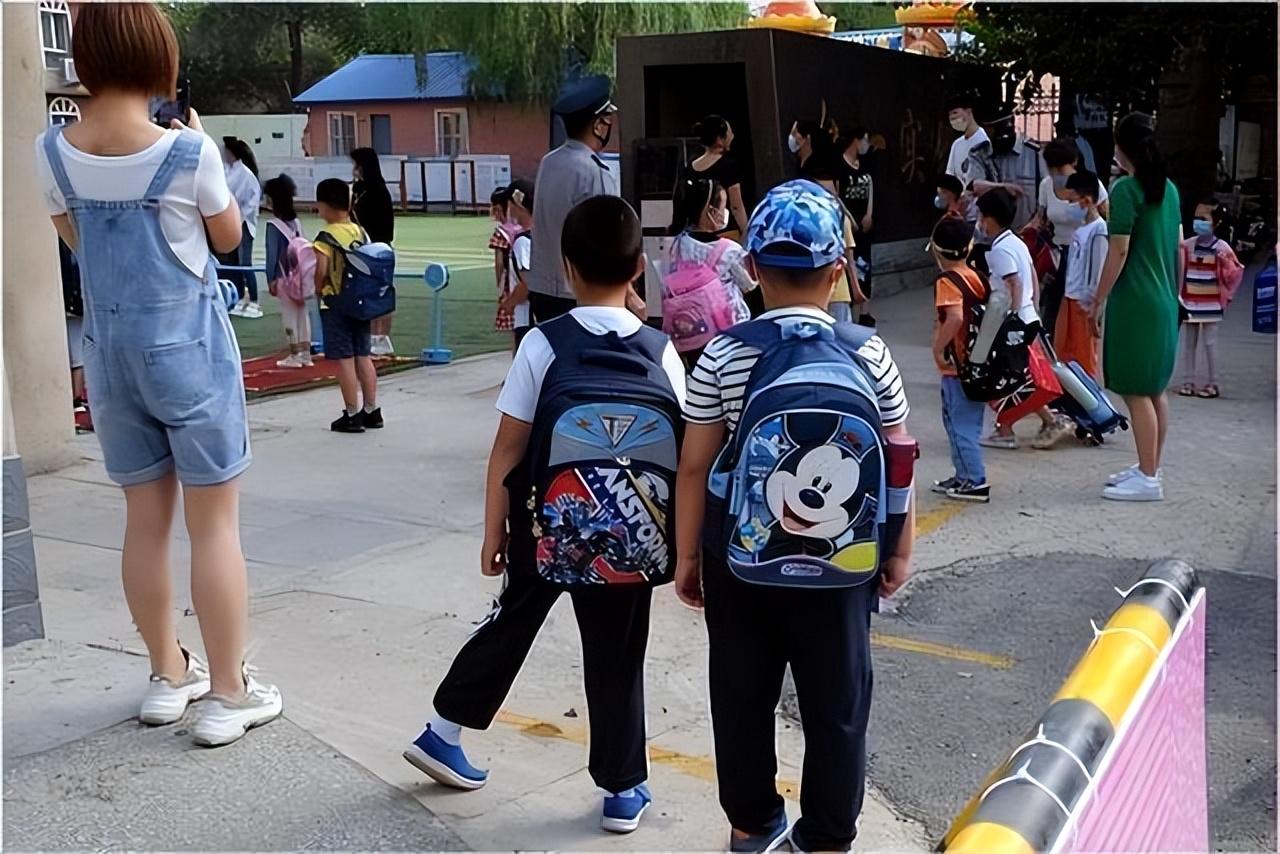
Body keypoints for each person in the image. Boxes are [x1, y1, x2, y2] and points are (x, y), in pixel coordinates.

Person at [34, 1, 281, 746]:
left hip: (111, 359)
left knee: (144, 523)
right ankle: (229, 692)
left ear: (85, 58)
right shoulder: (188, 152)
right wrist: (196, 143)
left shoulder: (50, 152)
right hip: (190, 355)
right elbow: (228, 237)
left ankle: (168, 676)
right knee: (215, 525)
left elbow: (78, 242)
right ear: (157, 57)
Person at [403, 195, 686, 835]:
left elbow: (508, 448)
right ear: (638, 268)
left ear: (566, 266)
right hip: (629, 539)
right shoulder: (660, 351)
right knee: (617, 654)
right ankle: (622, 789)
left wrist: (493, 531)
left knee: (510, 624)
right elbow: (684, 455)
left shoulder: (543, 343)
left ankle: (444, 730)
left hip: (545, 527)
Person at [675, 180, 913, 852]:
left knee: (742, 695)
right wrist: (898, 548)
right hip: (843, 561)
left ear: (752, 267)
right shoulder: (868, 352)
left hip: (741, 558)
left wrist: (688, 555)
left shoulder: (724, 353)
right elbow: (898, 457)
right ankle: (828, 835)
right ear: (837, 269)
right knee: (838, 701)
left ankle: (752, 823)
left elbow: (694, 466)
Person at [1092, 113, 1183, 502]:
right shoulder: (1170, 190)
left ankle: (1147, 479)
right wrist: (1176, 294)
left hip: (1135, 301)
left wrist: (1099, 298)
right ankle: (1150, 467)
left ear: (1121, 147)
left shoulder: (1126, 190)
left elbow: (1119, 250)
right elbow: (1179, 248)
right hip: (1163, 298)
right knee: (1154, 389)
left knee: (1136, 391)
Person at [976, 188, 1074, 451]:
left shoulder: (1000, 249)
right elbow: (1030, 276)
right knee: (1025, 379)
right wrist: (1033, 311)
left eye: (981, 216)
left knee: (1006, 379)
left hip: (1014, 322)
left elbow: (1014, 284)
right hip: (1028, 317)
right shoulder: (1016, 242)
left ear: (990, 218)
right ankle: (1043, 422)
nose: (980, 222)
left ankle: (1008, 429)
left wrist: (1013, 320)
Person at [529, 74, 623, 323]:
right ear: (598, 125)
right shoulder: (594, 172)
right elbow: (608, 241)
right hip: (580, 294)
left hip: (543, 289)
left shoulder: (549, 162)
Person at [664, 176, 756, 368]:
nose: (725, 213)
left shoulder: (676, 244)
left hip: (689, 334)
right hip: (728, 333)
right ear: (711, 212)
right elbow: (749, 284)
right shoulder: (729, 250)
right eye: (723, 207)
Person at [929, 216, 990, 502]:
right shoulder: (977, 276)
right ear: (970, 246)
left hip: (957, 366)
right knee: (962, 422)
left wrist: (938, 348)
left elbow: (954, 317)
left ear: (936, 250)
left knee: (960, 425)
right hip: (976, 362)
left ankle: (974, 480)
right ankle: (963, 474)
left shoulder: (947, 281)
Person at [313, 178, 382, 434]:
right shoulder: (360, 231)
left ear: (325, 205)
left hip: (336, 303)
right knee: (363, 355)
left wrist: (318, 289)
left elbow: (321, 270)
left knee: (344, 358)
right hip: (361, 302)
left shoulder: (326, 237)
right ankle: (371, 410)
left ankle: (352, 413)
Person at [1035, 138, 1110, 338]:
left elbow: (1108, 215)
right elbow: (1040, 219)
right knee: (1053, 311)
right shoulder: (1046, 186)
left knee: (1079, 311)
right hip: (1056, 256)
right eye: (1052, 169)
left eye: (1061, 168)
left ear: (1074, 163)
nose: (1057, 174)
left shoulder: (1089, 185)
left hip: (1084, 255)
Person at [1176, 199, 1244, 399]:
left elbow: (1235, 273)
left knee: (1210, 344)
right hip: (1189, 302)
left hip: (1212, 304)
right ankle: (1188, 381)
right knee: (1189, 344)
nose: (1198, 222)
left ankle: (1213, 383)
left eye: (1203, 219)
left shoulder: (1222, 248)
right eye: (1196, 218)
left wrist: (1225, 264)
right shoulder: (1187, 245)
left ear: (1216, 222)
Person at [1056, 170, 1109, 379]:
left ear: (1086, 201)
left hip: (1083, 303)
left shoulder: (1099, 231)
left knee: (1085, 358)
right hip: (1070, 297)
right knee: (1065, 352)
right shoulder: (1079, 229)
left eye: (1072, 201)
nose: (1069, 206)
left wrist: (1095, 306)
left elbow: (1098, 271)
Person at [263, 173, 312, 369]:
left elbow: (272, 255)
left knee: (289, 316)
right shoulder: (296, 223)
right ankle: (306, 353)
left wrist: (271, 279)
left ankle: (294, 353)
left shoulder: (273, 226)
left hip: (284, 278)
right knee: (302, 314)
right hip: (301, 277)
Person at [351, 147, 397, 356]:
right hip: (361, 247)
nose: (354, 169)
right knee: (366, 294)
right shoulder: (359, 190)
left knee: (382, 293)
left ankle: (383, 337)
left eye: (357, 165)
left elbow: (386, 224)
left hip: (379, 246)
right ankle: (370, 337)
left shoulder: (378, 190)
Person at [944, 89, 1001, 230]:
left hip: (980, 215)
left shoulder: (983, 142)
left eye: (955, 113)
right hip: (959, 214)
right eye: (950, 116)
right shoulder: (957, 145)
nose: (952, 118)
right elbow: (950, 177)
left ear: (969, 112)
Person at [221, 136, 262, 319]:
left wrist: (238, 217)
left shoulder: (245, 174)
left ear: (232, 153)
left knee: (244, 262)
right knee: (232, 263)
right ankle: (237, 296)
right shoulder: (226, 170)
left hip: (243, 223)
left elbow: (251, 202)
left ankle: (254, 299)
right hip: (230, 221)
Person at [688, 114, 750, 236]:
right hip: (725, 234)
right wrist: (747, 233)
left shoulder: (691, 166)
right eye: (729, 133)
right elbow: (736, 207)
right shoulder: (729, 166)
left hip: (697, 234)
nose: (732, 136)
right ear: (719, 139)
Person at [838, 127, 876, 325]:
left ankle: (865, 311)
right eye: (865, 140)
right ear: (856, 140)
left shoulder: (865, 163)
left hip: (864, 222)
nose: (866, 145)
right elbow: (836, 195)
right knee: (849, 264)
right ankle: (850, 309)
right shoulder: (839, 165)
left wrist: (869, 214)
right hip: (847, 223)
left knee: (865, 265)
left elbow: (870, 188)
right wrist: (850, 219)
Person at [988, 115, 1045, 231]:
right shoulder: (985, 154)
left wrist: (1038, 219)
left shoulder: (1034, 153)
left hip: (1027, 229)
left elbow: (1047, 191)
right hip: (994, 230)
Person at [499, 179, 536, 351]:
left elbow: (528, 283)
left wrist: (509, 304)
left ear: (517, 204)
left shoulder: (523, 242)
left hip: (527, 317)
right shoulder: (543, 236)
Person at [489, 186, 518, 337]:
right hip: (529, 281)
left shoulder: (501, 233)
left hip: (510, 283)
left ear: (499, 209)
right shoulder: (523, 227)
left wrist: (499, 287)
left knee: (515, 329)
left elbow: (499, 264)